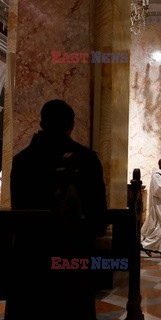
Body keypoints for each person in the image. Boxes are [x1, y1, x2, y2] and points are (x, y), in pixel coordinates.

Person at [8, 99, 107, 320]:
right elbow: (99, 220)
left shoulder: (21, 161)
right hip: (71, 260)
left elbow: (19, 212)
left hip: (30, 261)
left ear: (41, 123)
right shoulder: (87, 159)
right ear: (71, 125)